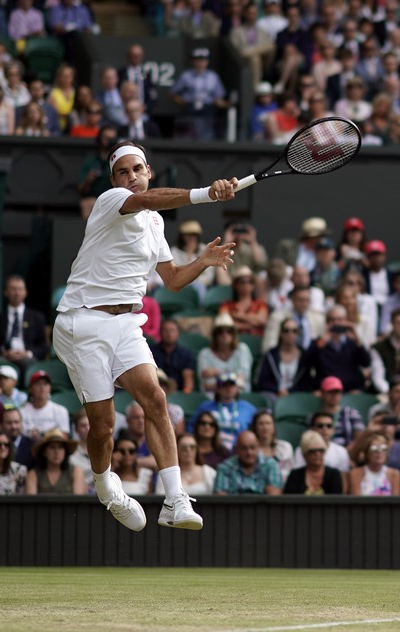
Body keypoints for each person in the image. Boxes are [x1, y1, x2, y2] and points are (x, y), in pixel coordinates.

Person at [52, 138, 237, 529]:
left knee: (156, 397)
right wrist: (206, 194)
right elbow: (147, 200)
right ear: (114, 179)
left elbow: (171, 281)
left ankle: (175, 499)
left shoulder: (156, 222)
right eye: (124, 171)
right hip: (82, 323)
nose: (132, 177)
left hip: (125, 323)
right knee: (103, 427)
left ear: (149, 171)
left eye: (138, 169)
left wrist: (201, 262)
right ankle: (106, 488)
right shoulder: (112, 201)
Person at [0, 275, 49, 368]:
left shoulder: (37, 318)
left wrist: (27, 353)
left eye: (20, 289)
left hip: (28, 359)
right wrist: (4, 353)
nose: (17, 293)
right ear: (6, 292)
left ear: (25, 292)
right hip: (3, 358)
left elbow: (44, 347)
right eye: (13, 289)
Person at [306, 305, 372, 392]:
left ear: (345, 321)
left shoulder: (352, 342)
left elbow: (366, 362)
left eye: (340, 320)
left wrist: (358, 341)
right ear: (327, 322)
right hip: (326, 391)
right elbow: (308, 363)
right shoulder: (319, 343)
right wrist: (321, 342)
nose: (336, 323)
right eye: (332, 320)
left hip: (350, 390)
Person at [190, 372, 256, 450]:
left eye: (231, 385)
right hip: (212, 450)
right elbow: (191, 428)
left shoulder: (248, 408)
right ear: (217, 389)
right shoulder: (205, 407)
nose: (228, 388)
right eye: (224, 385)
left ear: (237, 388)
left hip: (240, 450)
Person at [255, 317, 312, 403]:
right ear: (280, 333)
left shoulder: (305, 356)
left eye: (294, 331)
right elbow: (262, 382)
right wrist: (278, 391)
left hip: (297, 396)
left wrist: (289, 392)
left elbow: (306, 383)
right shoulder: (270, 355)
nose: (290, 334)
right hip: (273, 395)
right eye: (286, 330)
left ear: (298, 334)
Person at [197, 314, 254, 394]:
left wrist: (217, 373)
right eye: (220, 332)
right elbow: (206, 385)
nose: (225, 335)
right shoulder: (205, 354)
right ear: (215, 335)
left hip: (240, 397)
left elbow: (243, 379)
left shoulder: (242, 350)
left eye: (229, 331)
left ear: (234, 334)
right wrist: (233, 377)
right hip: (213, 399)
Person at [213, 430, 282, 495]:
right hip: (233, 507)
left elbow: (274, 497)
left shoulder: (271, 465)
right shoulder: (225, 467)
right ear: (237, 449)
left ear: (258, 447)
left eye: (252, 448)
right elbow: (220, 499)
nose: (249, 452)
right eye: (244, 448)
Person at [24, 429, 86, 495]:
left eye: (60, 447)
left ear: (65, 451)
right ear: (44, 452)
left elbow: (78, 501)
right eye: (52, 447)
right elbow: (31, 503)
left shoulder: (76, 472)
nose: (56, 452)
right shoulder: (33, 474)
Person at [283, 430, 344, 495]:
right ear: (304, 454)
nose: (317, 454)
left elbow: (336, 501)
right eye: (312, 451)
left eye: (321, 450)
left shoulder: (334, 475)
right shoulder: (295, 476)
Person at [21, 370, 71, 438]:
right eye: (38, 384)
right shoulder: (22, 412)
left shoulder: (61, 411)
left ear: (50, 388)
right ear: (30, 388)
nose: (42, 388)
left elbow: (64, 436)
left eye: (45, 384)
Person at [250, 409, 293, 481]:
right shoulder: (251, 450)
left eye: (268, 423)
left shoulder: (285, 447)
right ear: (255, 427)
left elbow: (290, 471)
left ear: (274, 427)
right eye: (261, 424)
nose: (265, 427)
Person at [68, 409, 93, 493]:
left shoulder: (106, 449)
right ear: (76, 429)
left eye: (90, 424)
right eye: (83, 425)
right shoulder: (70, 453)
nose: (87, 428)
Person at [2, 405, 34, 469]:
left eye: (16, 422)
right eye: (9, 423)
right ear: (2, 424)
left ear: (21, 423)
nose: (13, 426)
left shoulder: (32, 446)